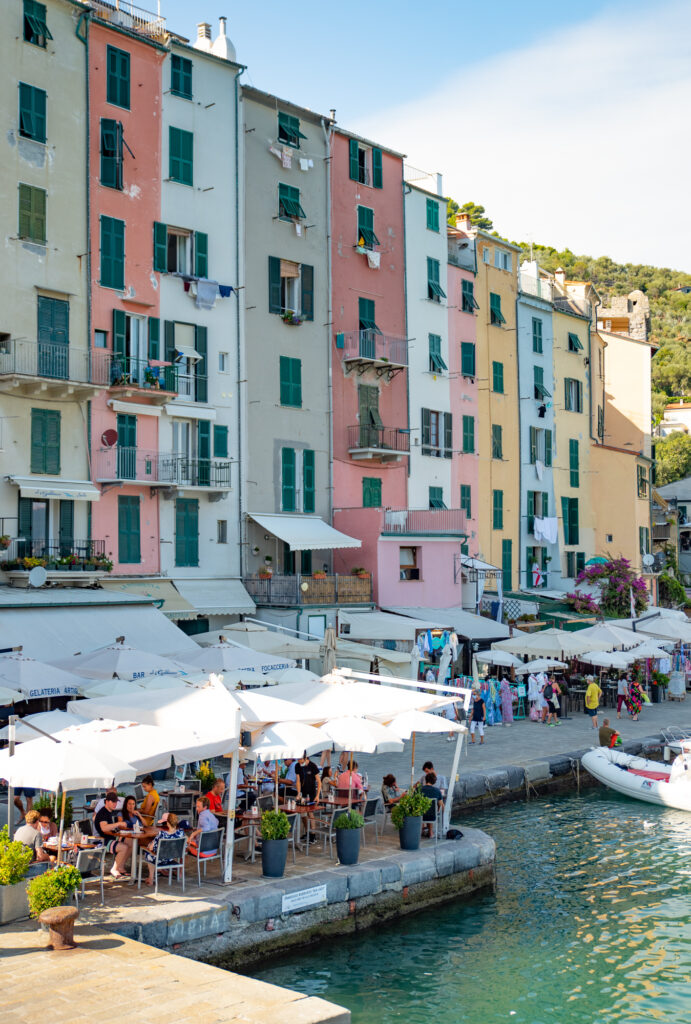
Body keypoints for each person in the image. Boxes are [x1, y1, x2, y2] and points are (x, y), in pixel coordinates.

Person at [94, 792, 133, 878]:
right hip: (103, 841)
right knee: (124, 847)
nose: (115, 804)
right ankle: (114, 869)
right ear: (107, 801)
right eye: (113, 802)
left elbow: (110, 828)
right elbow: (104, 828)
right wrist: (118, 823)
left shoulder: (108, 812)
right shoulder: (103, 813)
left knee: (130, 842)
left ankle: (120, 867)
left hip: (110, 837)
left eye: (116, 802)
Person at [142, 812, 185, 886]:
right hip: (171, 859)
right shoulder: (181, 833)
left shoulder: (162, 834)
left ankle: (151, 878)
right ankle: (171, 871)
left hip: (160, 860)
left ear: (167, 823)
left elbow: (151, 848)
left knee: (148, 853)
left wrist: (147, 846)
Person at [420, 771, 443, 839]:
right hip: (432, 816)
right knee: (431, 810)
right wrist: (439, 813)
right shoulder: (437, 791)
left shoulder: (419, 789)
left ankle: (421, 831)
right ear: (434, 781)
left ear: (426, 780)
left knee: (424, 809)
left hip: (420, 815)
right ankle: (430, 833)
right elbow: (441, 805)